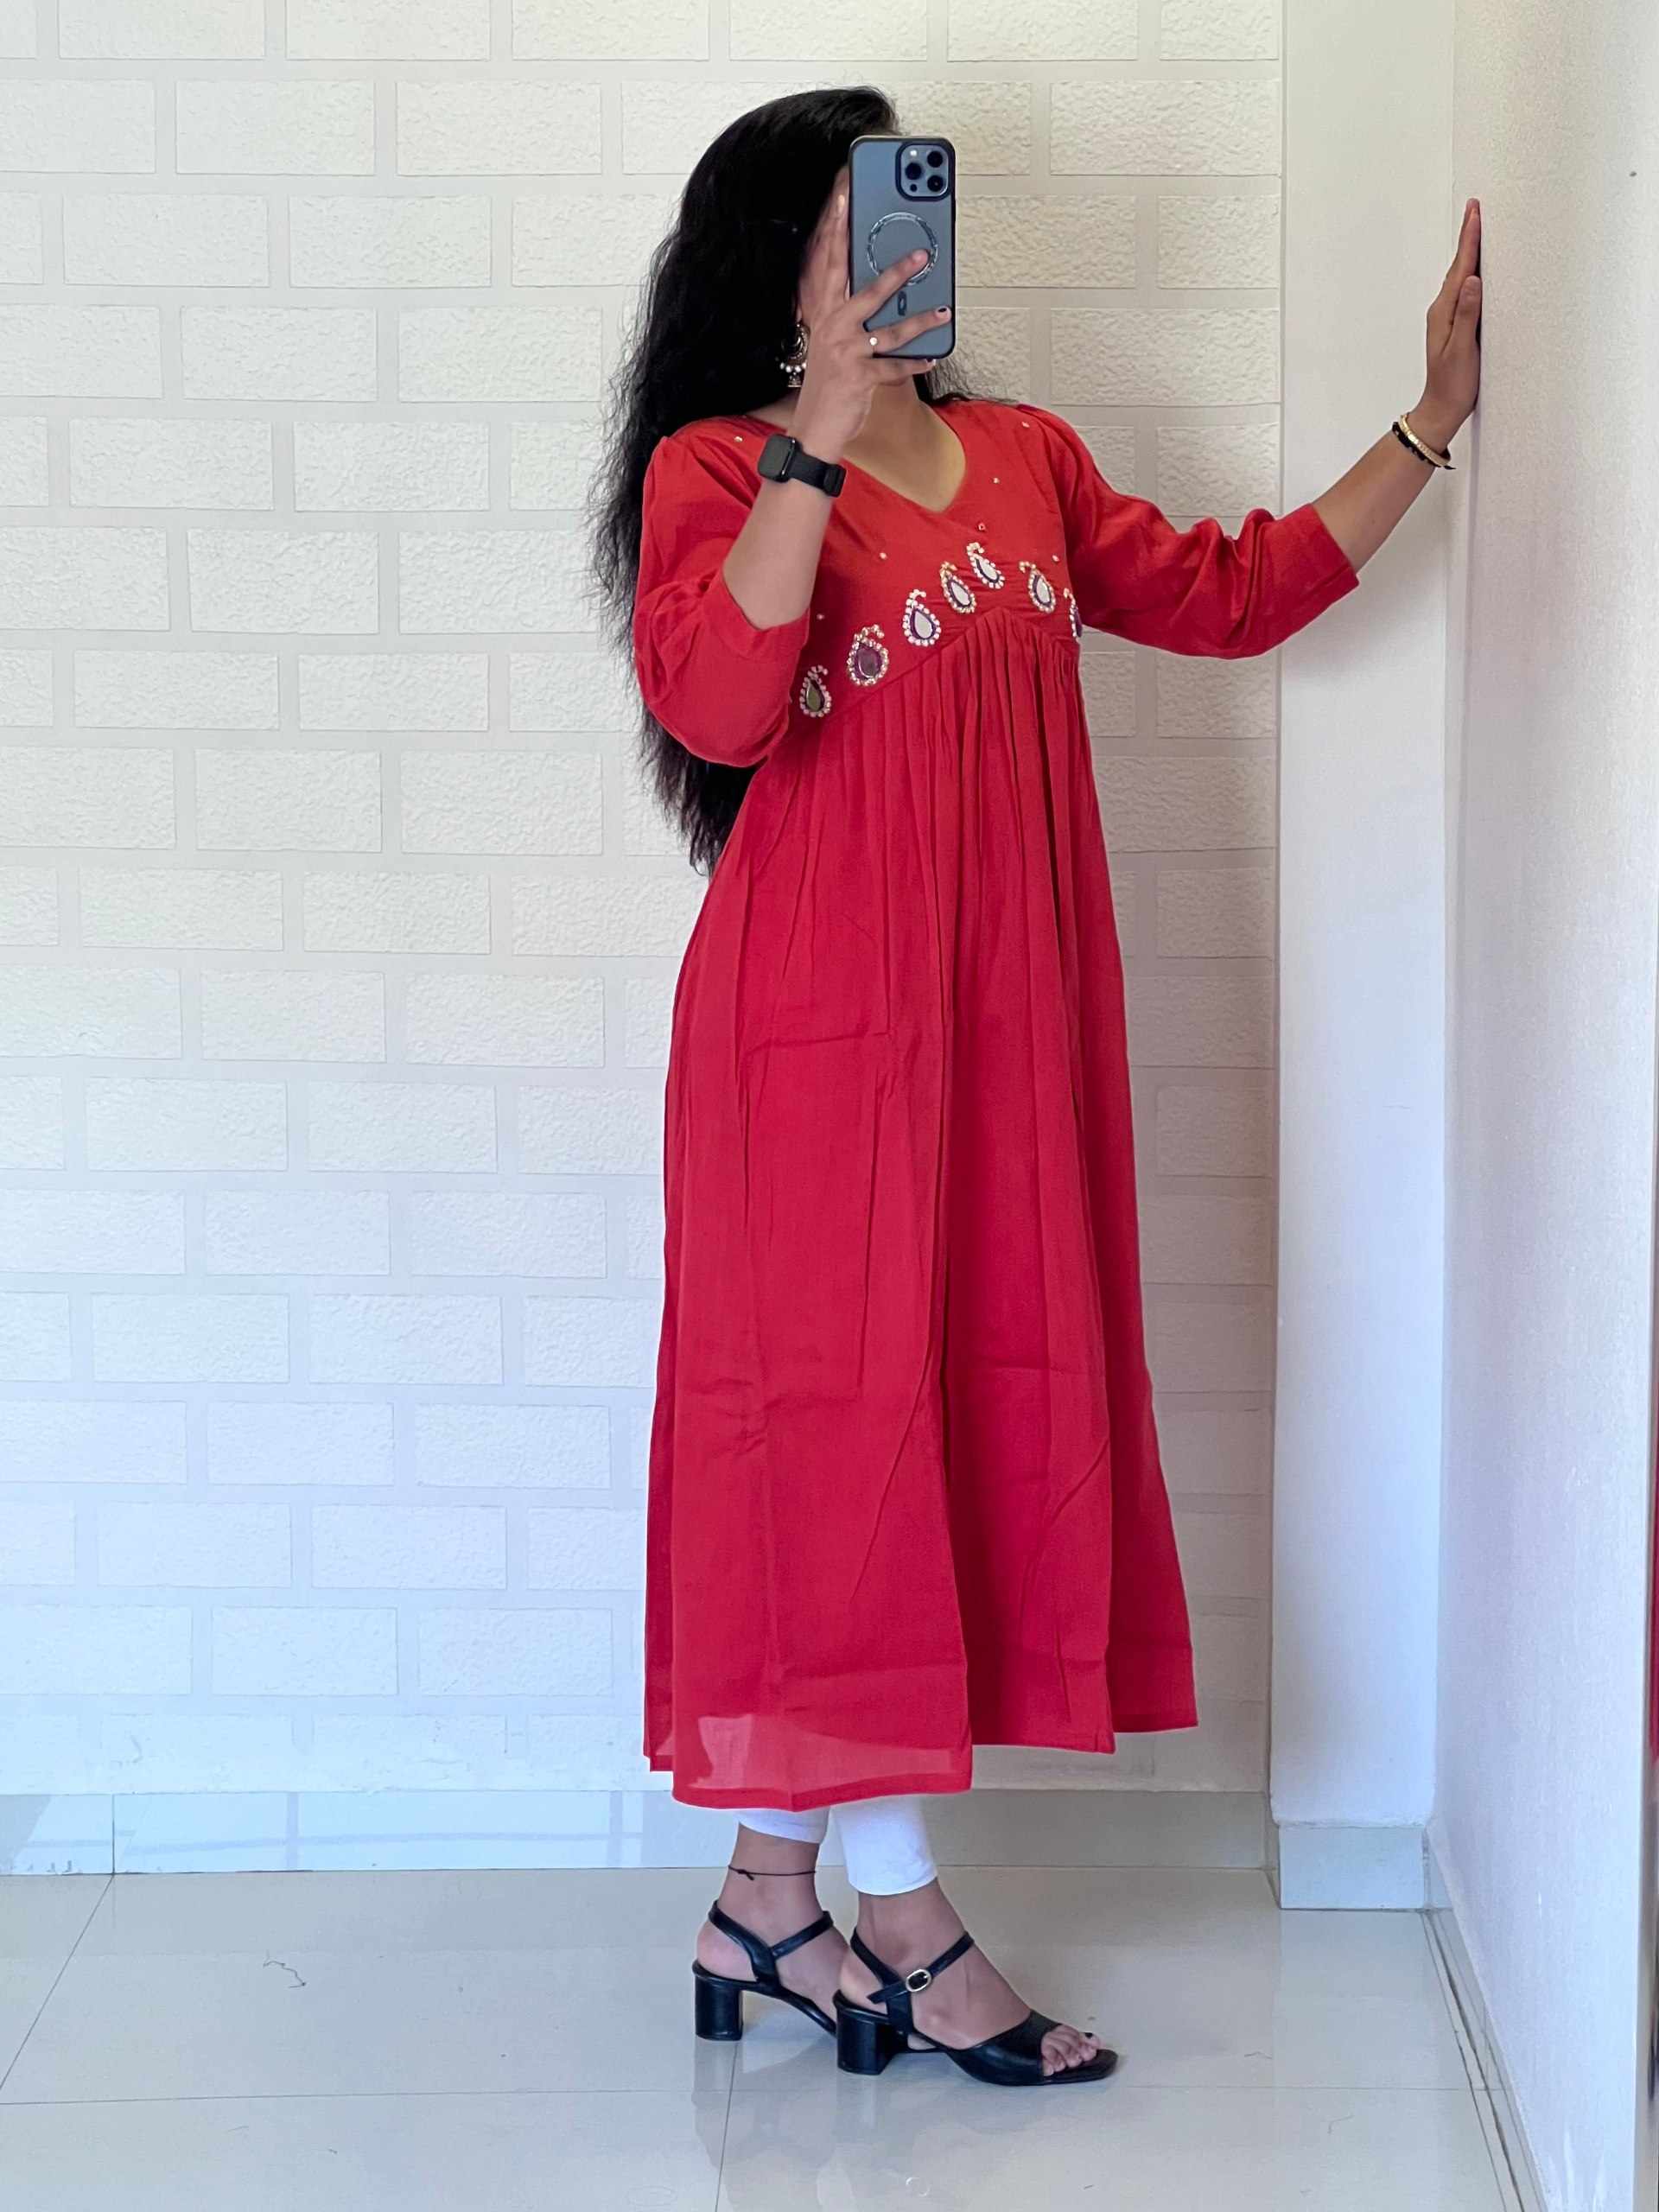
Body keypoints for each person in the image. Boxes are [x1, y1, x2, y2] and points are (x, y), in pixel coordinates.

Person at [594, 86, 1482, 2088]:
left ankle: (764, 1899)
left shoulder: (1027, 460)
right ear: (770, 264)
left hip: (1002, 1042)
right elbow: (720, 705)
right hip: (812, 1055)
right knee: (843, 1450)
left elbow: (1235, 590)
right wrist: (818, 437)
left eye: (904, 212)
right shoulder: (718, 469)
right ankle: (902, 1917)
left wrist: (1432, 421)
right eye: (847, 224)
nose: (888, 251)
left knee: (952, 1433)